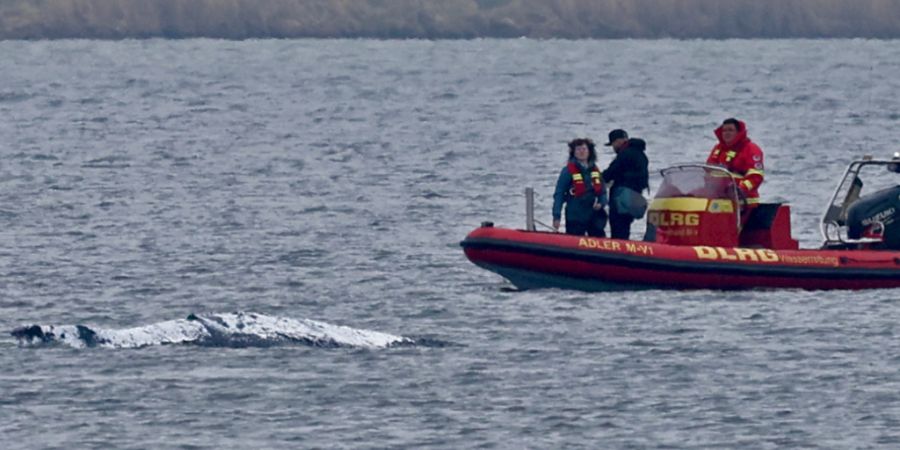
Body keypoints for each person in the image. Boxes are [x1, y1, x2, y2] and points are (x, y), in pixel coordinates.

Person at [552, 138, 607, 237]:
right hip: (575, 214)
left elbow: (602, 191)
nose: (582, 152)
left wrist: (601, 203)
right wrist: (557, 216)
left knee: (599, 237)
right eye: (578, 149)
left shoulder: (595, 170)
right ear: (573, 152)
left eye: (584, 149)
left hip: (593, 215)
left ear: (589, 151)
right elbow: (559, 194)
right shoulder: (567, 171)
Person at [602, 129, 649, 240]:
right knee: (625, 227)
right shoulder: (641, 154)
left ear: (618, 141)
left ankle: (617, 253)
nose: (613, 148)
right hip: (634, 197)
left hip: (621, 198)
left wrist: (597, 177)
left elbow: (610, 173)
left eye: (613, 144)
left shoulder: (624, 154)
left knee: (618, 229)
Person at [706, 118, 765, 205]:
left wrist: (740, 189)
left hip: (743, 202)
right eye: (724, 130)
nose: (727, 133)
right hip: (718, 199)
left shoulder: (751, 149)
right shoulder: (718, 149)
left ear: (738, 132)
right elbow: (708, 170)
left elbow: (756, 176)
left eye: (730, 130)